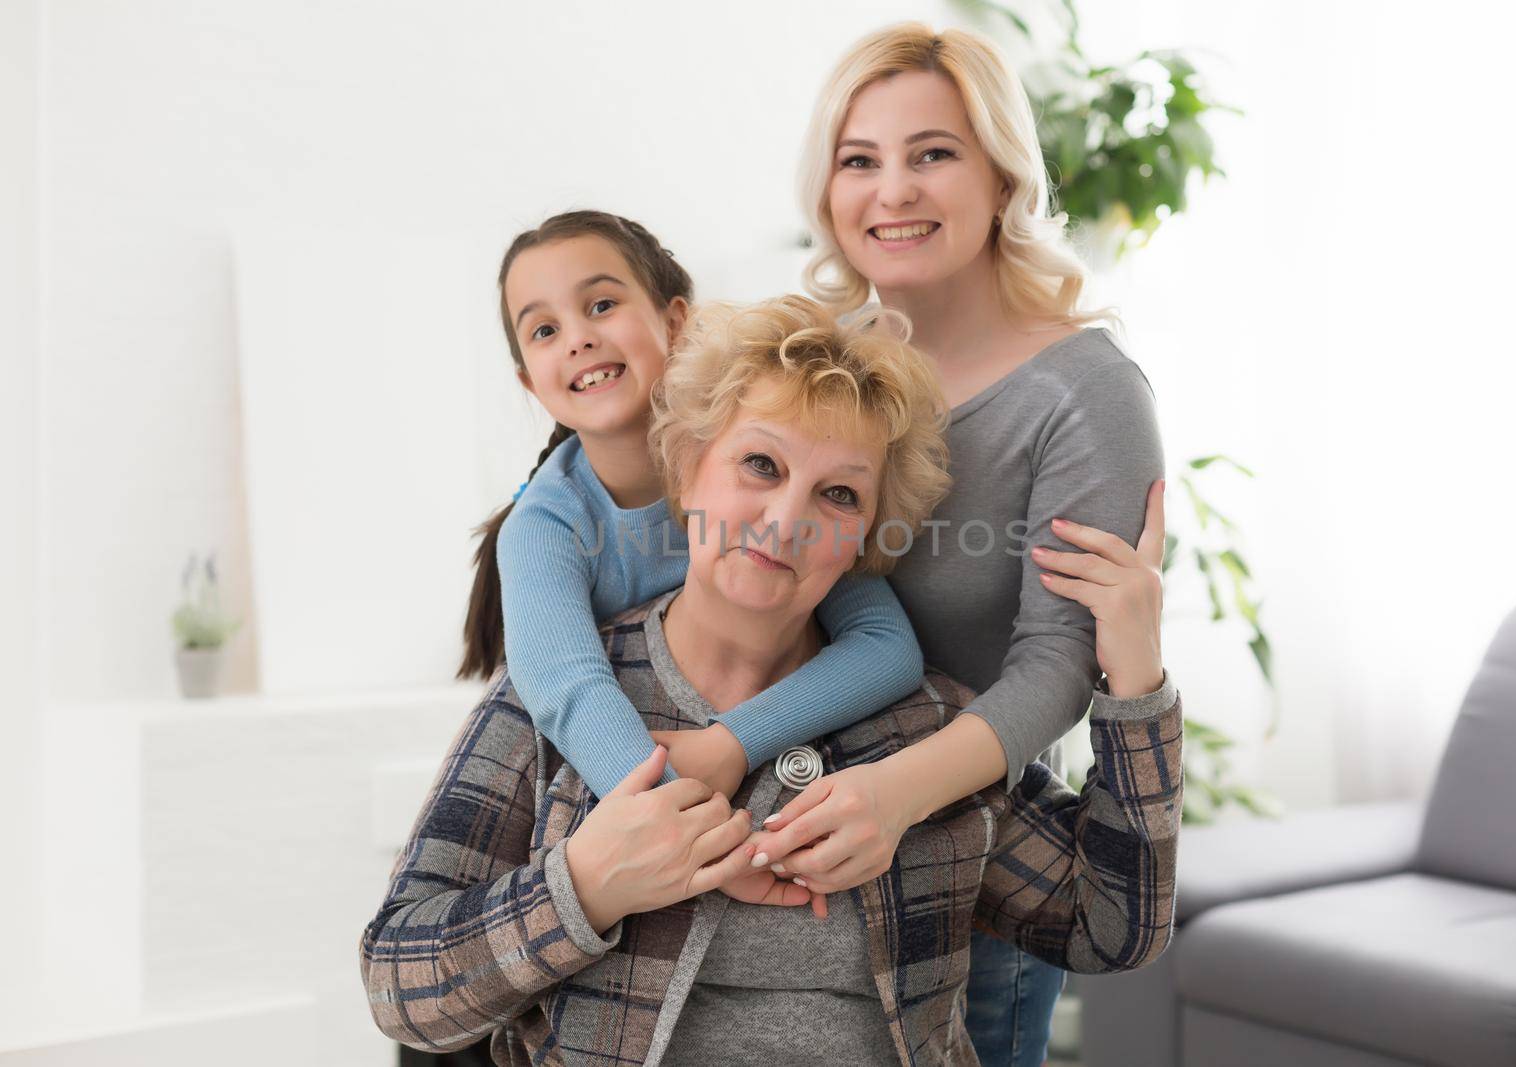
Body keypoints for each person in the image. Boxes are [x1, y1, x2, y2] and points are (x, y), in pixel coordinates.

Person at [359, 295, 1182, 1066]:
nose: (786, 521)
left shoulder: (919, 726)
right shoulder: (562, 700)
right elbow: (400, 986)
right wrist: (585, 886)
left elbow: (1111, 926)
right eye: (760, 464)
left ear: (865, 536)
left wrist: (1136, 678)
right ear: (687, 471)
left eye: (836, 493)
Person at [715, 24, 1172, 1065]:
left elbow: (1058, 663)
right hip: (786, 854)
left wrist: (893, 793)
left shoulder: (1085, 391)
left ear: (1001, 174)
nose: (892, 192)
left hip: (966, 874)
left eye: (932, 153)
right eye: (858, 160)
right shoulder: (821, 359)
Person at [458, 210, 926, 824]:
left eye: (600, 305)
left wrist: (734, 743)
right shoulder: (543, 527)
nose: (576, 338)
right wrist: (685, 827)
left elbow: (886, 646)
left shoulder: (783, 467)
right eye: (544, 330)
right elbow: (569, 694)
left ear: (676, 322)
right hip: (629, 792)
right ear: (529, 381)